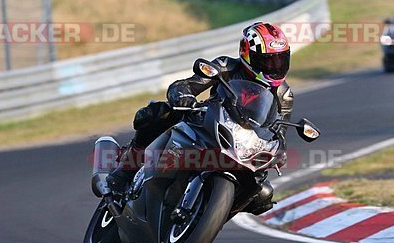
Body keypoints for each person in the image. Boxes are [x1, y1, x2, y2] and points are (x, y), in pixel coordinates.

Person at [107, 21, 294, 214]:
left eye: (280, 60)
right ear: (246, 53)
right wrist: (184, 97)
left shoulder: (284, 94)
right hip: (209, 122)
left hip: (244, 145)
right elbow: (185, 85)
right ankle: (125, 170)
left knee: (263, 195)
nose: (274, 66)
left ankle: (210, 216)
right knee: (158, 113)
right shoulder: (226, 66)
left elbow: (278, 133)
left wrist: (279, 153)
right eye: (267, 61)